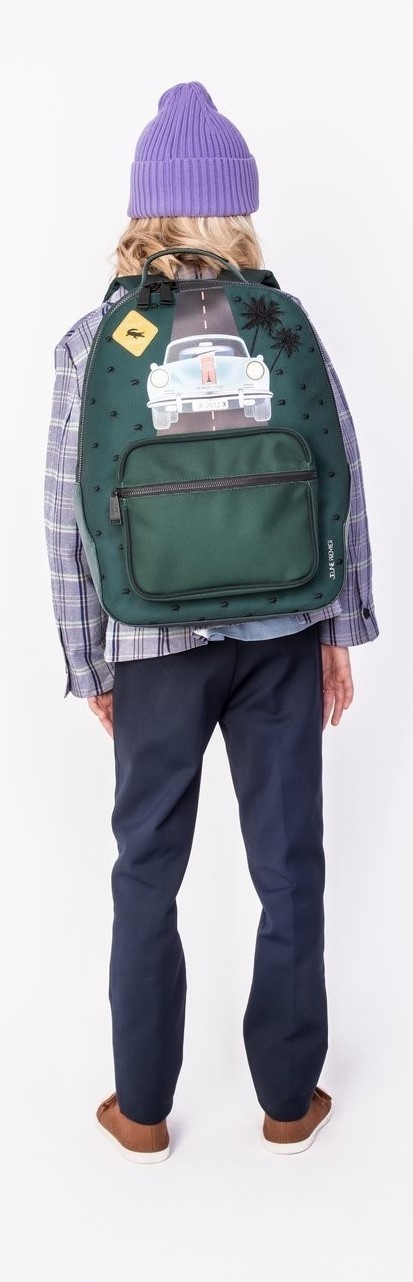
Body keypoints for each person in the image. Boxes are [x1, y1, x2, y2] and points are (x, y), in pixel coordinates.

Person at [43, 81, 379, 1164]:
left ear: (143, 208)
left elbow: (65, 511)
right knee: (288, 867)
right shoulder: (282, 326)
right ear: (237, 210)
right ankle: (286, 1102)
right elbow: (337, 477)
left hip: (149, 645)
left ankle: (142, 1112)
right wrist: (337, 625)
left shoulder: (96, 337)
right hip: (280, 635)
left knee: (145, 871)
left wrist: (89, 659)